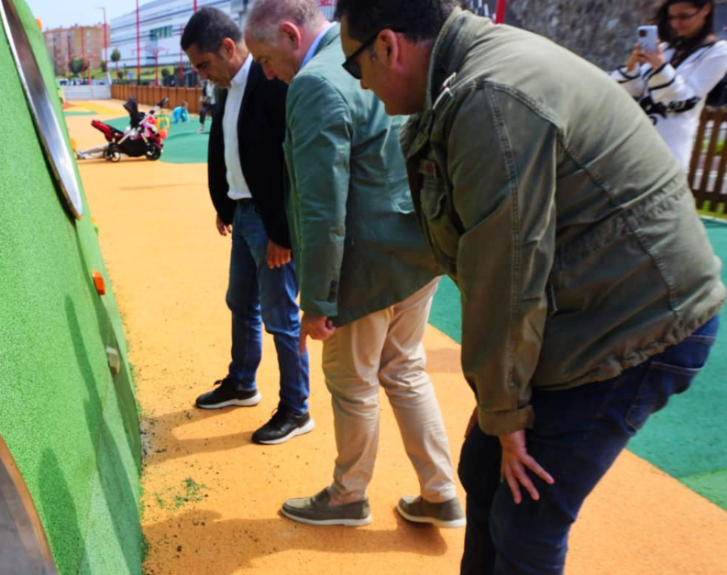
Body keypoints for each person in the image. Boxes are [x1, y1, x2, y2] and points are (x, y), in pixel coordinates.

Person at [333, 0, 725, 572]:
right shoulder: (462, 80)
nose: (361, 85)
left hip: (639, 318)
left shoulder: (488, 100)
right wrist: (501, 407)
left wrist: (507, 409)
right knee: (483, 468)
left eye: (355, 66)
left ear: (388, 46)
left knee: (527, 517)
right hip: (584, 299)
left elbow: (506, 275)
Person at [244, 0, 464, 528]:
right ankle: (440, 491)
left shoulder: (316, 82)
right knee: (405, 370)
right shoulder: (383, 56)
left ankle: (348, 496)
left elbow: (322, 206)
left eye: (266, 58)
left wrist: (318, 300)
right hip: (415, 248)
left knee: (352, 382)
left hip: (362, 266)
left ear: (293, 34)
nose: (267, 72)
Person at [181, 7, 313, 445]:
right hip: (242, 214)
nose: (203, 75)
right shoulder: (226, 87)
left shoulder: (272, 82)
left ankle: (296, 408)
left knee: (281, 317)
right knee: (240, 302)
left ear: (228, 48)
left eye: (204, 64)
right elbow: (229, 147)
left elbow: (291, 164)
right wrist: (226, 202)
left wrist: (283, 233)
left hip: (270, 222)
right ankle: (243, 383)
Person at [612, 0, 727, 169]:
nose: (676, 23)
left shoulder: (719, 52)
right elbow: (633, 92)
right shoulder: (666, 49)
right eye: (672, 17)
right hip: (632, 145)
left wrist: (660, 67)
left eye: (684, 16)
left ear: (706, 9)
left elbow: (684, 101)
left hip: (669, 150)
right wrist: (632, 64)